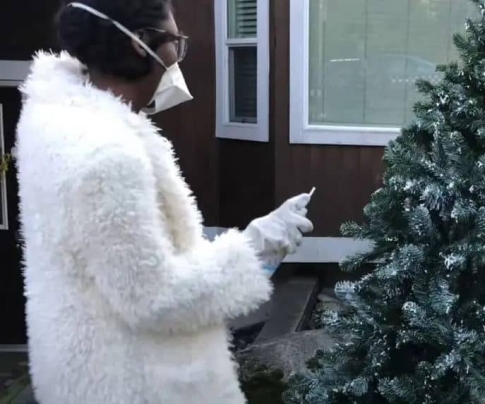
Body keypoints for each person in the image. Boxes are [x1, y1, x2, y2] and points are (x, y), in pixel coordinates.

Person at [14, 1, 313, 403]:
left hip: (82, 371)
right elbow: (156, 299)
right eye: (176, 42)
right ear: (141, 44)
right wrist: (258, 245)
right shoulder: (106, 154)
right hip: (135, 385)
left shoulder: (51, 119)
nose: (177, 59)